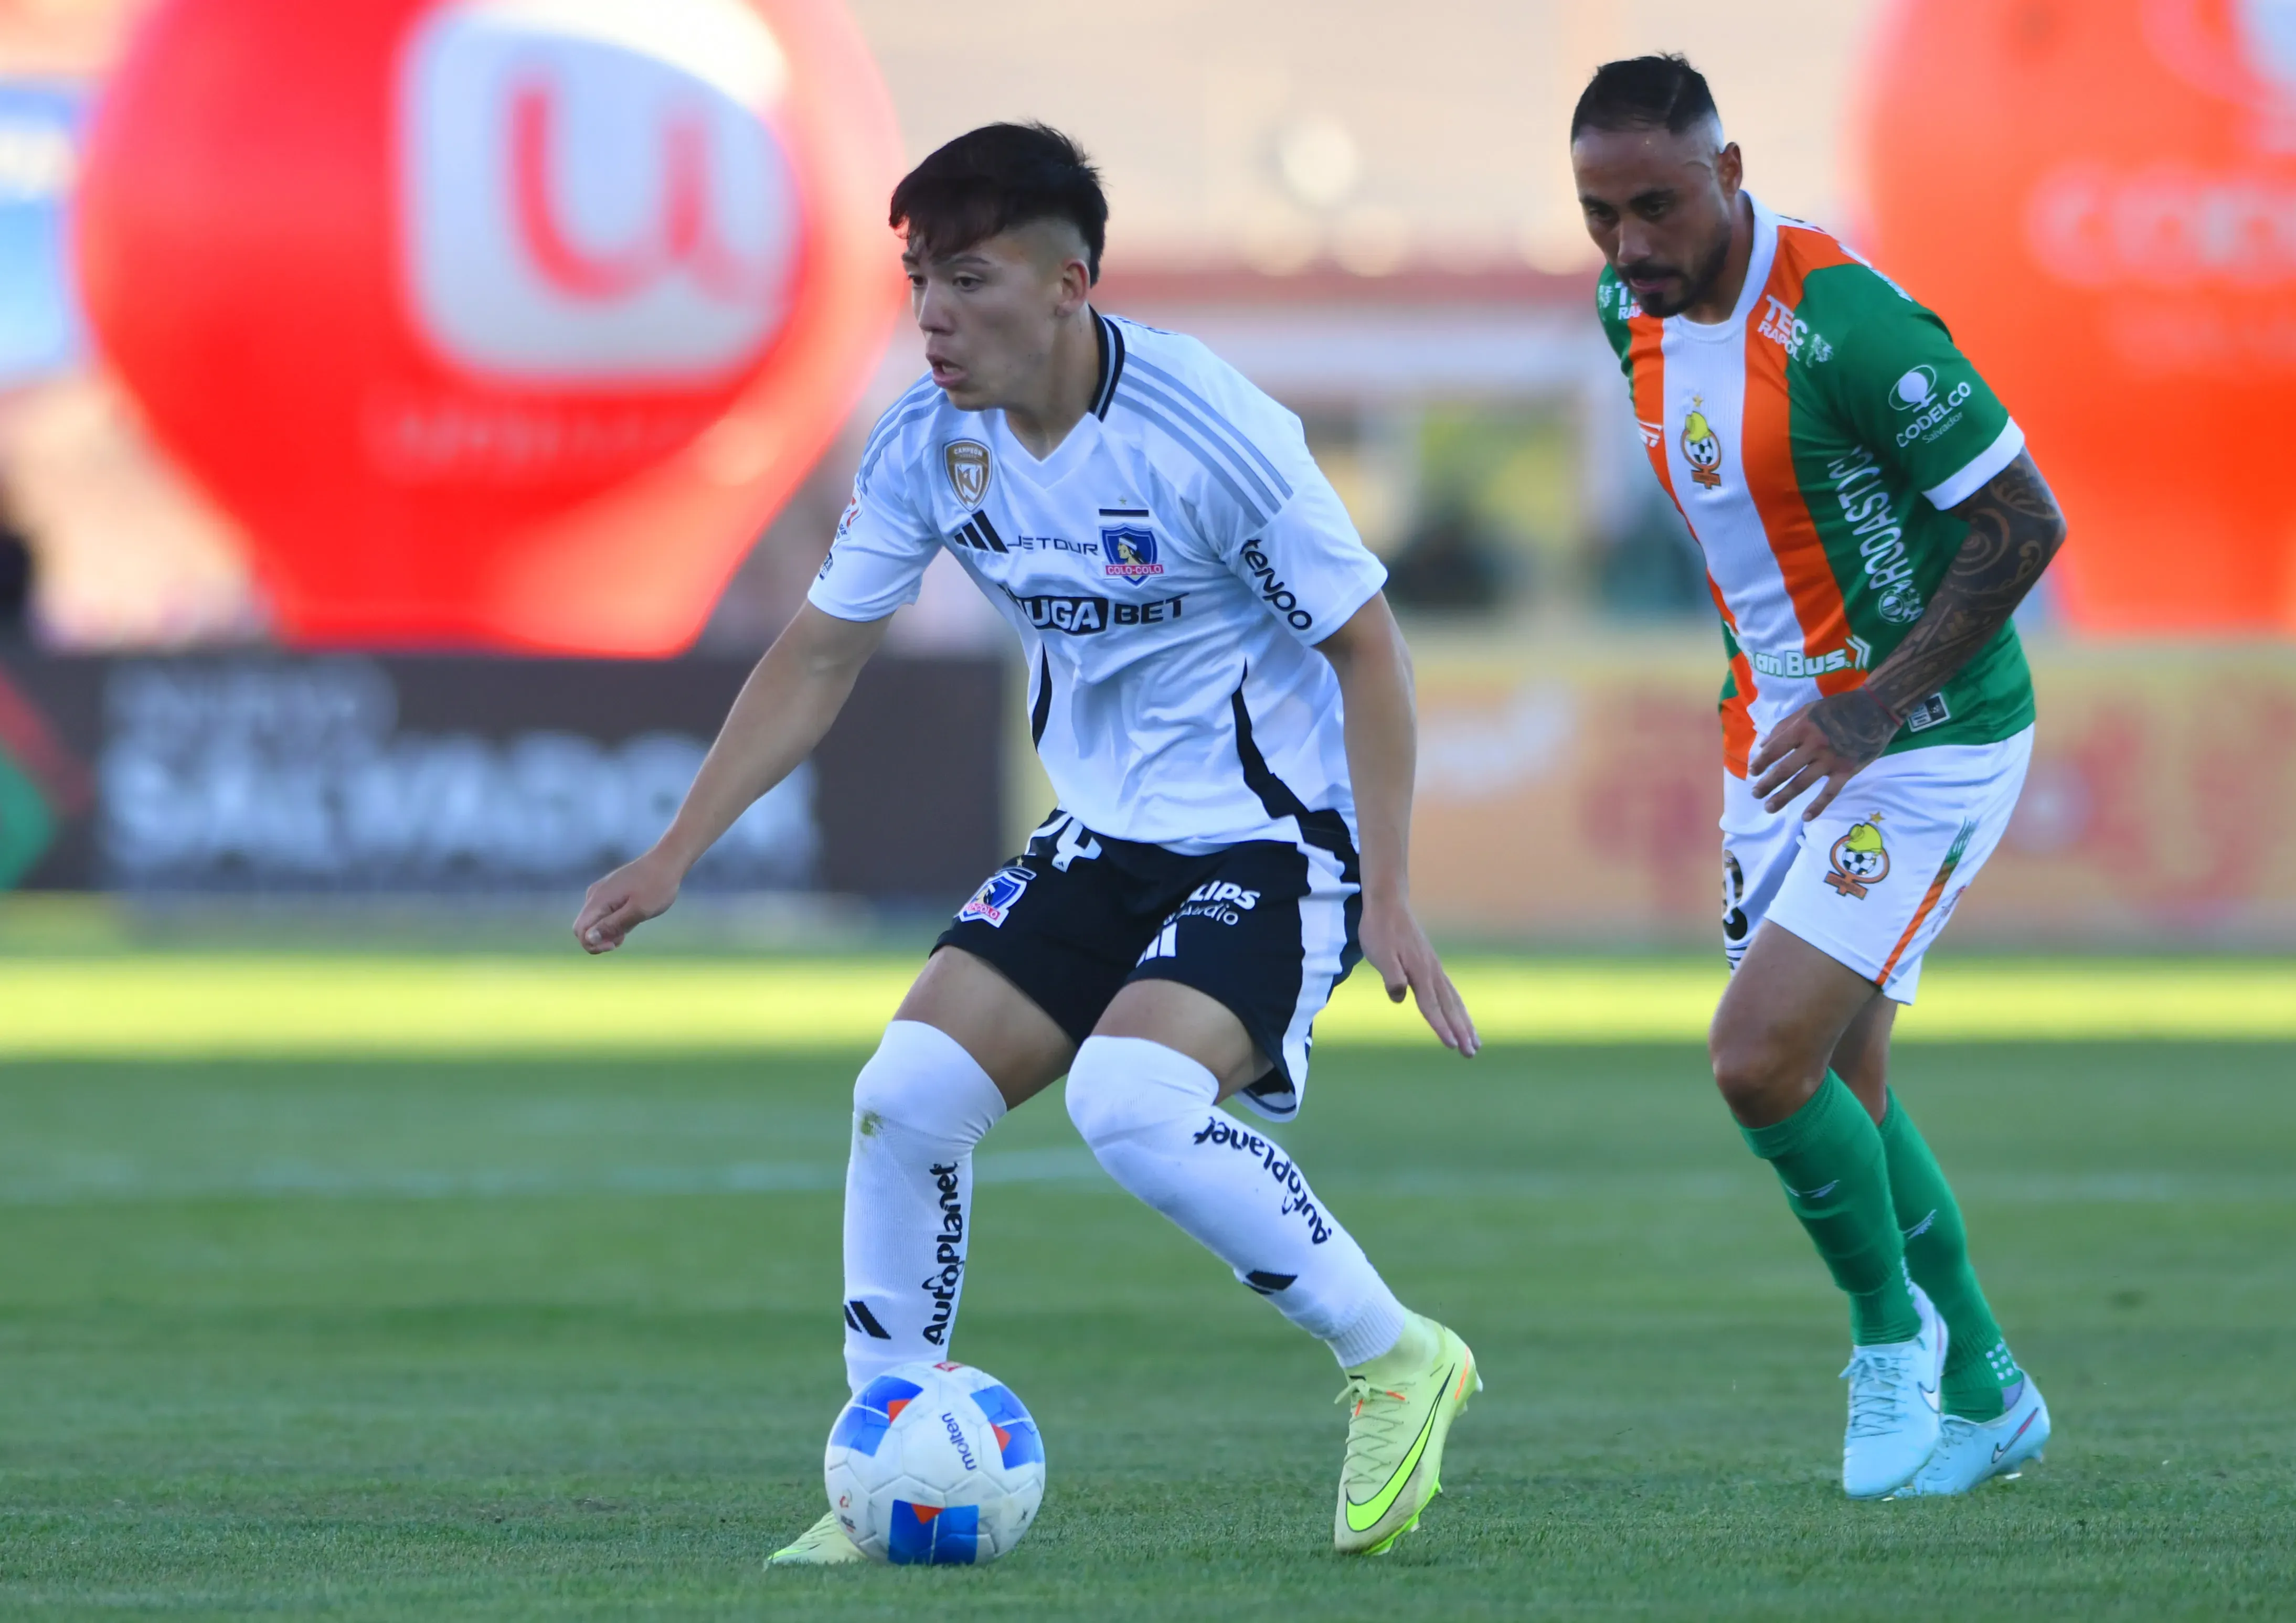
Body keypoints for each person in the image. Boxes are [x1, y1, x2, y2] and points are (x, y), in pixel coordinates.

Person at [574, 123, 1482, 1560]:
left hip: (1272, 842)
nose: (934, 316)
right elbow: (816, 656)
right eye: (920, 280)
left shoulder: (1209, 432)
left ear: (1071, 283)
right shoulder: (931, 445)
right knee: (907, 1092)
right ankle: (885, 1454)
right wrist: (678, 848)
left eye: (971, 280)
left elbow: (1369, 651)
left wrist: (1392, 893)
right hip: (1103, 835)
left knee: (1129, 1102)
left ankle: (1395, 1355)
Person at [1569, 57, 2068, 1499]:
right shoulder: (1628, 312)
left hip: (1926, 737)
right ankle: (1991, 1385)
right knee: (1844, 1077)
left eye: (1658, 205)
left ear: (1731, 173)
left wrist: (1871, 704)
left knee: (1758, 1056)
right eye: (1603, 215)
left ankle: (1888, 1336)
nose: (1632, 246)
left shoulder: (1847, 321)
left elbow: (2026, 525)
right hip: (1775, 749)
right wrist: (1798, 704)